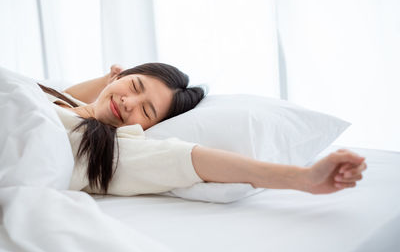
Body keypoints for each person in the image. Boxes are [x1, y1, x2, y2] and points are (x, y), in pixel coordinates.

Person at [39, 62, 367, 197]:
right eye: (134, 85)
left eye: (146, 110)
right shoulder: (60, 99)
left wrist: (300, 178)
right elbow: (69, 95)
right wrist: (107, 82)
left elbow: (191, 158)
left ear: (151, 127)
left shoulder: (108, 149)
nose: (129, 103)